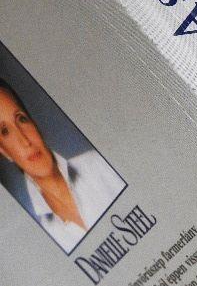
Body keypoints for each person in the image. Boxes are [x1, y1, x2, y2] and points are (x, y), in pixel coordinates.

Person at [0, 78, 125, 253]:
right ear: (4, 151)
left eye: (21, 119)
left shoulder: (99, 165)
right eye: (5, 131)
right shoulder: (39, 239)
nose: (25, 140)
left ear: (33, 123)